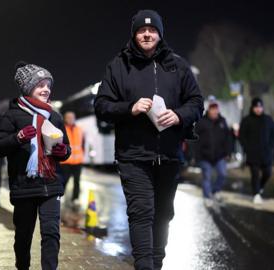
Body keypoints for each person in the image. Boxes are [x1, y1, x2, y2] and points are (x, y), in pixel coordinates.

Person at [94, 10, 203, 270]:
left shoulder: (178, 65)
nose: (146, 34)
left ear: (160, 34)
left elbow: (196, 102)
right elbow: (102, 105)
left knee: (163, 214)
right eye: (141, 31)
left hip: (169, 155)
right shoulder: (118, 66)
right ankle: (145, 266)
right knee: (141, 213)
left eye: (152, 30)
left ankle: (156, 263)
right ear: (134, 34)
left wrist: (178, 116)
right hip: (133, 155)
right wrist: (129, 108)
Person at [0, 62, 71, 270]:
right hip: (24, 185)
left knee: (52, 234)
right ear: (28, 88)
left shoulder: (54, 116)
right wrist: (17, 138)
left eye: (48, 85)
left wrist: (63, 152)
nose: (46, 89)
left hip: (51, 184)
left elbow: (67, 148)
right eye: (40, 85)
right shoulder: (12, 115)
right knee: (23, 237)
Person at [239, 98, 274, 204]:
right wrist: (246, 147)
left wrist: (271, 147)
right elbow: (242, 136)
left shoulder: (268, 119)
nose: (258, 109)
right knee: (255, 174)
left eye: (260, 107)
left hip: (266, 153)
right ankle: (256, 194)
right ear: (252, 107)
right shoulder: (247, 120)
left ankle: (260, 187)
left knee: (267, 173)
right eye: (256, 107)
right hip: (253, 153)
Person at [195, 101, 231, 207]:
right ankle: (207, 197)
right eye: (212, 109)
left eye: (216, 109)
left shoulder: (222, 121)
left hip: (220, 155)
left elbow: (228, 138)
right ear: (209, 110)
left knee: (223, 174)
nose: (215, 111)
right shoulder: (202, 122)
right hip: (205, 156)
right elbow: (195, 138)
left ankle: (215, 191)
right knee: (207, 177)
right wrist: (196, 154)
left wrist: (228, 152)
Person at [60, 111, 84, 206]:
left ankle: (75, 198)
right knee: (64, 180)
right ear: (65, 118)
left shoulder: (79, 129)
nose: (70, 119)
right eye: (68, 117)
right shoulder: (62, 129)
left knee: (77, 181)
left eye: (72, 117)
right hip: (66, 161)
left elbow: (83, 144)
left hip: (78, 161)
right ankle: (61, 196)